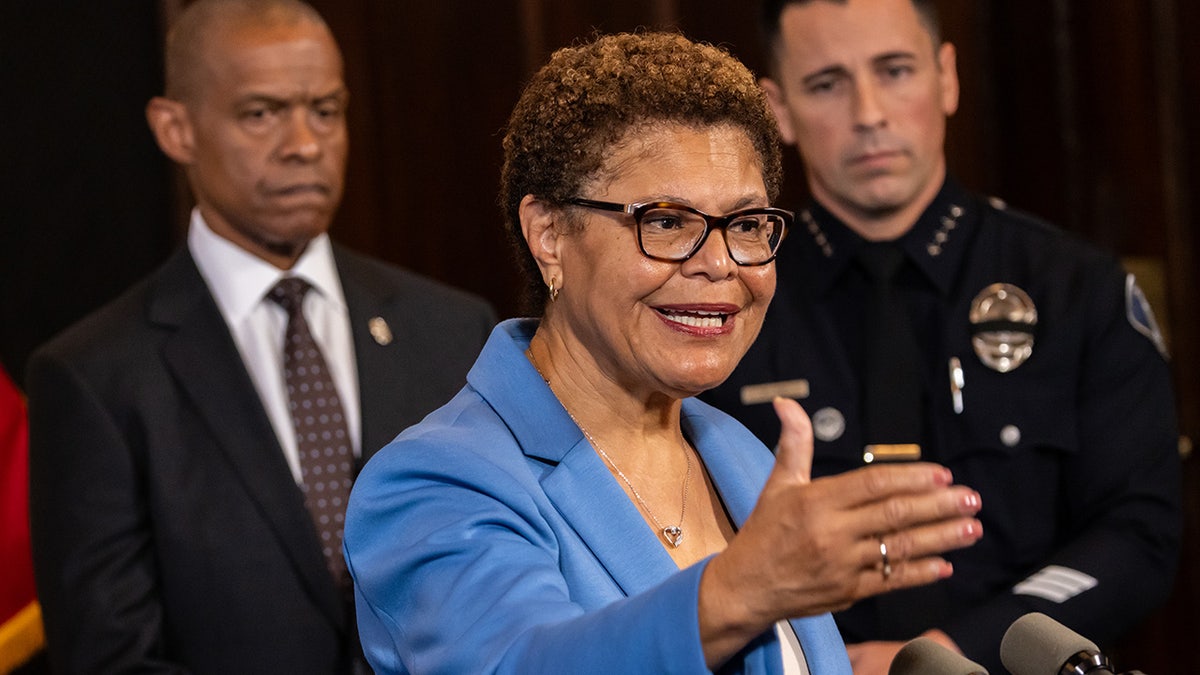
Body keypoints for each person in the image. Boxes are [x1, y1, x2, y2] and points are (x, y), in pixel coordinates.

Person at [344, 31, 984, 674]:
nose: (718, 264)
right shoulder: (436, 480)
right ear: (548, 236)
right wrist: (738, 593)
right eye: (667, 222)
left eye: (745, 225)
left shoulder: (738, 454)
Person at [701, 1, 1183, 673]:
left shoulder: (1075, 287)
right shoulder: (727, 302)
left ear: (947, 77)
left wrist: (957, 651)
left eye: (895, 70)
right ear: (777, 110)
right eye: (827, 84)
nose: (869, 112)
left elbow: (1139, 533)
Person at [25, 1, 495, 672]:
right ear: (176, 129)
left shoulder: (454, 330)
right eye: (261, 113)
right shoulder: (95, 377)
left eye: (325, 110)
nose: (305, 143)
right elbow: (110, 657)